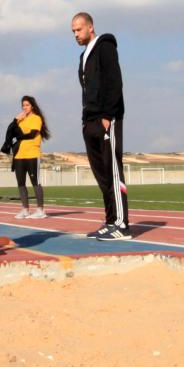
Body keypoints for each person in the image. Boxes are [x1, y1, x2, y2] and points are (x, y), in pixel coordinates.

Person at [72, 12, 130, 240]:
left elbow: (114, 81)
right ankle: (110, 221)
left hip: (107, 118)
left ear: (90, 27)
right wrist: (86, 122)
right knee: (102, 175)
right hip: (90, 122)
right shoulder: (83, 56)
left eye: (79, 29)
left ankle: (122, 224)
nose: (76, 34)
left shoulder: (105, 46)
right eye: (73, 31)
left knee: (113, 171)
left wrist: (107, 115)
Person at [11, 95, 50, 219]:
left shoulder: (36, 118)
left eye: (27, 105)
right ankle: (25, 210)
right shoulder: (20, 119)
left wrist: (19, 135)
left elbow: (32, 134)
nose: (25, 107)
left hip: (32, 154)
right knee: (21, 183)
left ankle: (40, 210)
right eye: (23, 105)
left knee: (35, 183)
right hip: (19, 156)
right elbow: (11, 133)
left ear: (32, 106)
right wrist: (15, 120)